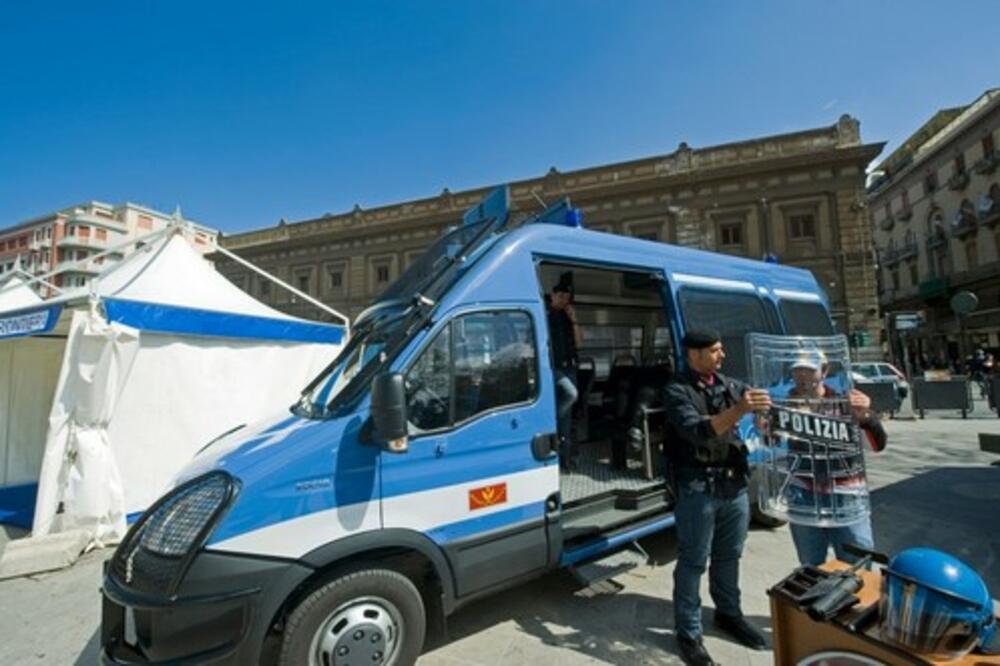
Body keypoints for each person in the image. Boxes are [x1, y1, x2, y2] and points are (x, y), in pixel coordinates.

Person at [664, 328, 771, 666]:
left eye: (722, 349)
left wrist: (766, 414)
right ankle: (689, 634)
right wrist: (740, 410)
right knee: (694, 560)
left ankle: (728, 614)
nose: (722, 356)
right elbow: (699, 432)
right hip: (698, 487)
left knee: (729, 555)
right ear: (694, 355)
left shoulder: (730, 384)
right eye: (715, 350)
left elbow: (760, 413)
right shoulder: (676, 390)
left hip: (734, 484)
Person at [785, 352, 887, 566]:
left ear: (824, 371)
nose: (803, 376)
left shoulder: (844, 403)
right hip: (803, 494)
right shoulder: (784, 405)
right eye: (798, 370)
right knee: (811, 568)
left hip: (845, 494)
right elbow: (768, 444)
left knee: (858, 566)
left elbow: (876, 446)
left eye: (810, 370)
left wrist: (865, 416)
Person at [547, 274, 581, 469]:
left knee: (568, 417)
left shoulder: (568, 318)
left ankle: (564, 461)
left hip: (570, 367)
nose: (563, 300)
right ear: (552, 296)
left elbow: (579, 343)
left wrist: (574, 320)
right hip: (553, 369)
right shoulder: (545, 315)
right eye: (560, 296)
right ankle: (550, 420)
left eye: (566, 297)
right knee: (571, 394)